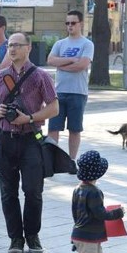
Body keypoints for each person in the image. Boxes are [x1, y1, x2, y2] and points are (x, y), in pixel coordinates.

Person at [0, 32, 58, 253]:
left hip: (30, 139)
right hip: (4, 139)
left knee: (33, 191)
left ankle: (33, 236)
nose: (12, 49)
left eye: (17, 45)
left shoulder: (40, 76)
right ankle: (15, 238)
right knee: (8, 192)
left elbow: (54, 108)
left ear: (28, 48)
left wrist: (30, 118)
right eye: (10, 46)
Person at [49, 150, 125, 253]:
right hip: (88, 235)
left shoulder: (78, 189)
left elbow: (76, 213)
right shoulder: (94, 192)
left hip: (85, 233)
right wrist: (117, 213)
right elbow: (100, 214)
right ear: (97, 173)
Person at [46, 10, 94, 161]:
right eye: (67, 23)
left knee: (74, 129)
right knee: (53, 128)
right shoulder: (60, 43)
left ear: (81, 24)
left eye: (73, 23)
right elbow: (51, 60)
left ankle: (71, 160)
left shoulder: (87, 44)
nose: (70, 26)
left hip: (77, 92)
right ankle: (53, 160)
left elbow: (82, 65)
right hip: (58, 92)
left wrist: (62, 65)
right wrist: (72, 60)